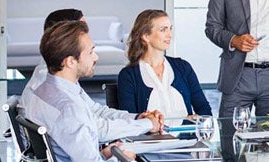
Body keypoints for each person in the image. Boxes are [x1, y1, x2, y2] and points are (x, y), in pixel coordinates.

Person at [23, 21, 164, 161]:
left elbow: (91, 128)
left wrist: (106, 154)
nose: (96, 57)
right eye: (91, 52)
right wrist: (120, 158)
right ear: (70, 61)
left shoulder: (43, 91)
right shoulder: (69, 108)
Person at [117, 9, 212, 118]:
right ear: (146, 36)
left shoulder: (183, 67)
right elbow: (129, 119)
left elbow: (204, 108)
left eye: (170, 29)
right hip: (151, 135)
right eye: (163, 30)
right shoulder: (128, 75)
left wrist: (198, 119)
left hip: (186, 134)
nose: (169, 34)